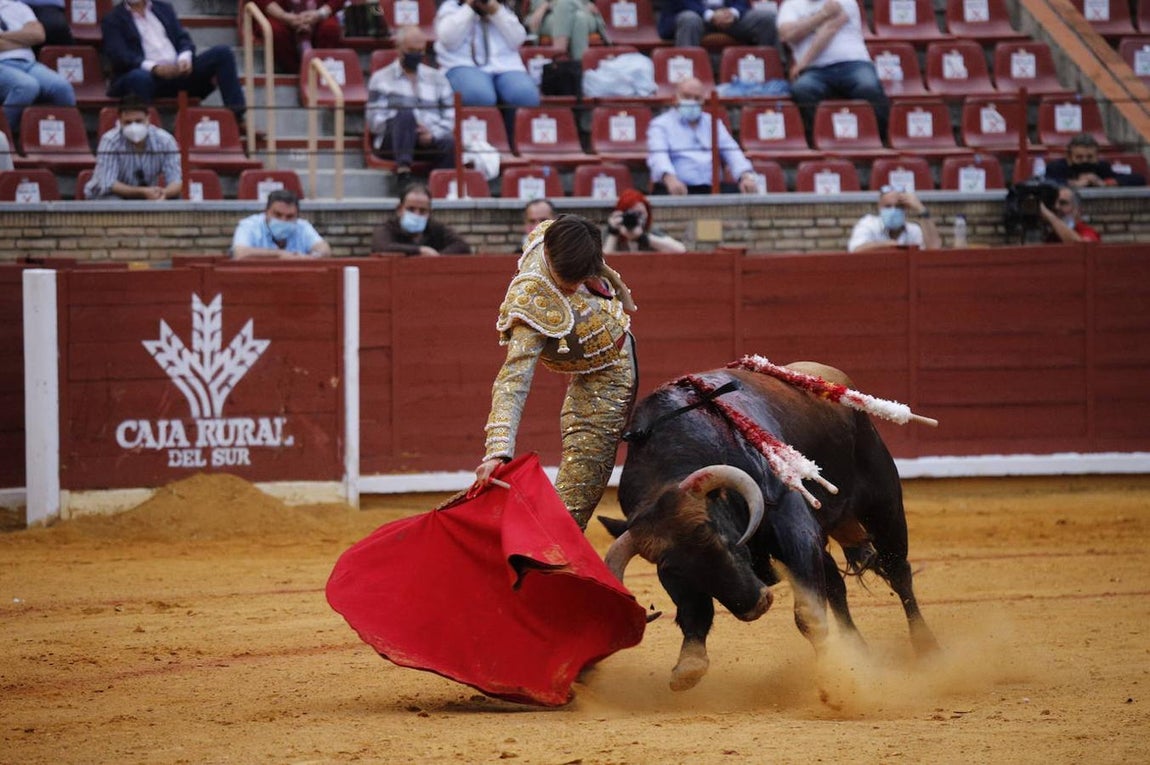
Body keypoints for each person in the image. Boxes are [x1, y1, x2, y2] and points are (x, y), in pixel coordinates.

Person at [471, 214, 638, 530]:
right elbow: (512, 381)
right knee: (575, 497)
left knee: (582, 474)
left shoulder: (555, 232)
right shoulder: (531, 301)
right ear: (548, 254)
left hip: (609, 360)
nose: (573, 288)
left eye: (580, 279)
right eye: (566, 281)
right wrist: (497, 452)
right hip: (605, 375)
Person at [102, 0, 246, 128]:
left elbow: (183, 39)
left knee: (222, 53)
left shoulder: (164, 8)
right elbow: (120, 56)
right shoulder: (113, 19)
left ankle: (237, 117)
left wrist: (184, 58)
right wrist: (155, 68)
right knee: (139, 78)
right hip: (146, 77)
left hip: (177, 73)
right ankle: (149, 131)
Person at [777, 0, 888, 140]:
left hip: (853, 63)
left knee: (868, 86)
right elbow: (786, 35)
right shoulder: (791, 5)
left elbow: (829, 30)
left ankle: (880, 137)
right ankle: (817, 139)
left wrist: (803, 61)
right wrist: (822, 15)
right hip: (815, 69)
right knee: (802, 89)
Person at [433, 0, 539, 135]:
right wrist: (469, 8)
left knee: (525, 96)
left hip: (506, 66)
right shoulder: (452, 7)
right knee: (479, 96)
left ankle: (514, 143)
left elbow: (518, 39)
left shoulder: (502, 8)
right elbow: (447, 39)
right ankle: (483, 143)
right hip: (462, 64)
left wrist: (496, 12)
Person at [366, 26, 456, 178]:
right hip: (393, 141)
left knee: (449, 142)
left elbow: (449, 117)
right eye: (411, 50)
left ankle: (443, 186)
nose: (416, 55)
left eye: (420, 51)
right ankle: (404, 174)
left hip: (428, 139)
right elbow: (374, 121)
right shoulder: (380, 79)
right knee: (405, 114)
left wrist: (431, 134)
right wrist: (409, 128)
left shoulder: (438, 79)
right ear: (398, 48)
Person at [647, 76, 758, 195]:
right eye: (686, 97)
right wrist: (670, 179)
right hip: (676, 187)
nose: (692, 102)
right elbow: (658, 156)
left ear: (703, 101)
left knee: (744, 192)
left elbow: (732, 151)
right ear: (675, 98)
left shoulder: (713, 123)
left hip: (712, 188)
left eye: (697, 98)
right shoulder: (660, 124)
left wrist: (745, 175)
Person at [84, 96, 182, 200]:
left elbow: (176, 180)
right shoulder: (110, 141)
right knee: (113, 201)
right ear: (120, 121)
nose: (134, 127)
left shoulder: (165, 140)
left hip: (147, 196)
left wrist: (164, 193)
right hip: (108, 196)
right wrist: (142, 192)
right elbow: (109, 183)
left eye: (139, 121)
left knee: (177, 199)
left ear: (148, 118)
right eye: (128, 122)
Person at [0, 0, 77, 132]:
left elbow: (38, 35)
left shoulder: (17, 6)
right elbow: (31, 36)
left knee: (62, 87)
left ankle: (70, 136)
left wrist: (3, 37)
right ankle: (3, 134)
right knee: (27, 86)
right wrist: (24, 38)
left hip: (28, 63)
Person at [371, 183, 473, 256]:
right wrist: (420, 250)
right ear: (399, 209)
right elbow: (382, 247)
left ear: (429, 212)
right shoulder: (386, 228)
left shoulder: (435, 228)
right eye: (411, 209)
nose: (417, 214)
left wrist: (437, 257)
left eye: (423, 211)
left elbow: (462, 246)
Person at [232, 189, 332, 258]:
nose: (283, 220)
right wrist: (279, 254)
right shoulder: (249, 225)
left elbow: (325, 250)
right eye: (277, 215)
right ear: (266, 212)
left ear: (297, 216)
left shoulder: (302, 226)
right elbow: (240, 253)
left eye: (289, 216)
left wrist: (311, 257)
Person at [252, 0, 344, 75]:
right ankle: (296, 72)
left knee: (330, 28)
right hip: (279, 15)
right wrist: (284, 16)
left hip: (319, 14)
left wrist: (319, 14)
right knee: (273, 30)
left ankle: (322, 71)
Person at [847, 186, 939, 252]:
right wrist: (890, 245)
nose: (893, 210)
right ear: (879, 208)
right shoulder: (868, 224)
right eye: (888, 206)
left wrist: (921, 209)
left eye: (899, 207)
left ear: (905, 209)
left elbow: (934, 249)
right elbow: (856, 250)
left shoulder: (914, 230)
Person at [657, 0, 777, 48]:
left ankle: (770, 70)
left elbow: (741, 2)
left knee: (766, 18)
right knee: (689, 19)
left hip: (728, 19)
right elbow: (682, 3)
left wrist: (733, 13)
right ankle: (687, 76)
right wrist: (710, 15)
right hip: (697, 17)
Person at [1044, 133, 1147, 188]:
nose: (1085, 161)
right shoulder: (1057, 168)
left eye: (1090, 157)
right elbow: (1045, 183)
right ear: (1069, 158)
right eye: (1079, 157)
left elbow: (1138, 179)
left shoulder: (1102, 167)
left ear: (1097, 157)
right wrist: (1074, 183)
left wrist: (1105, 183)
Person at [604, 189, 687, 253]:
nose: (635, 218)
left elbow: (681, 250)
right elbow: (602, 264)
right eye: (631, 213)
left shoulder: (651, 232)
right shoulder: (612, 234)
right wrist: (613, 233)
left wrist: (642, 237)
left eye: (640, 214)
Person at [524, 0, 608, 61]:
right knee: (579, 19)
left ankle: (559, 62)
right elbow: (537, 6)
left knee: (574, 12)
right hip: (549, 17)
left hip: (587, 14)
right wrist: (545, 6)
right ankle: (581, 72)